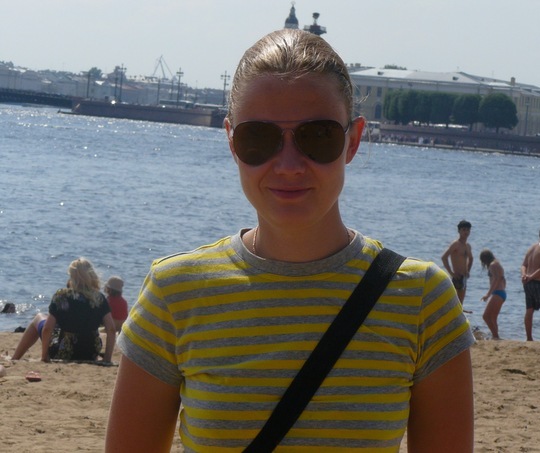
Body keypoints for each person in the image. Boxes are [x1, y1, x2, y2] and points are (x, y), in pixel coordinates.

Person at [106, 29, 474, 453]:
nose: (288, 164)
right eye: (258, 138)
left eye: (317, 136)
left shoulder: (422, 300)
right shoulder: (175, 292)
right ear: (231, 141)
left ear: (353, 140)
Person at [11, 258, 116, 363]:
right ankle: (15, 358)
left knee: (39, 317)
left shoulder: (62, 296)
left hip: (64, 351)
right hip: (90, 352)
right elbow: (111, 329)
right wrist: (107, 358)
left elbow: (47, 329)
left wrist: (44, 356)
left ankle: (15, 358)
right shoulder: (99, 298)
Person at [442, 220, 474, 307]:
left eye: (468, 230)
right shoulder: (456, 244)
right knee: (453, 303)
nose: (466, 232)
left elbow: (471, 259)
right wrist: (451, 273)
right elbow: (444, 257)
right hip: (457, 277)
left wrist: (468, 270)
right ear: (459, 231)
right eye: (464, 230)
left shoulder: (468, 246)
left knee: (460, 303)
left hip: (464, 277)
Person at [479, 249, 506, 340]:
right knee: (493, 318)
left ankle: (496, 336)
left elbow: (496, 279)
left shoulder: (492, 265)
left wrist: (488, 294)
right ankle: (495, 336)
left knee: (486, 316)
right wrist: (502, 288)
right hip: (501, 293)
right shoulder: (497, 263)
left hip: (497, 293)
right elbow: (502, 279)